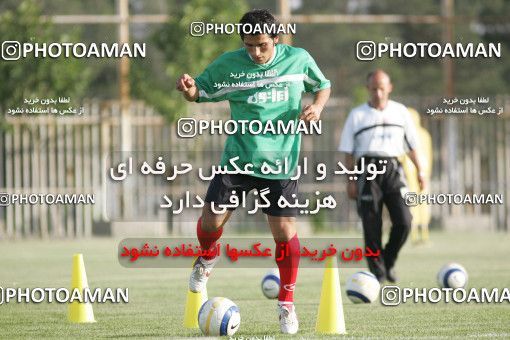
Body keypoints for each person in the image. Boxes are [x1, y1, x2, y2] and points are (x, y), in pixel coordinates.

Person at [176, 9, 330, 334]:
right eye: (249, 46)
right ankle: (207, 259)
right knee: (209, 222)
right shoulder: (230, 64)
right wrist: (189, 87)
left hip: (280, 162)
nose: (256, 52)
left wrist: (317, 106)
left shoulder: (298, 59)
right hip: (239, 157)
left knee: (285, 234)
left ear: (276, 38)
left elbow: (323, 85)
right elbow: (198, 92)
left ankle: (286, 304)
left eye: (262, 45)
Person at [338, 69, 425, 283]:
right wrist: (350, 180)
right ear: (368, 89)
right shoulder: (356, 115)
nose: (378, 93)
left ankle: (388, 259)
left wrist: (420, 170)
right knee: (371, 224)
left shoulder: (400, 112)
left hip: (393, 170)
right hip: (367, 170)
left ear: (389, 88)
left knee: (404, 221)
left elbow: (412, 145)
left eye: (382, 88)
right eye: (374, 88)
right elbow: (348, 153)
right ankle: (378, 274)